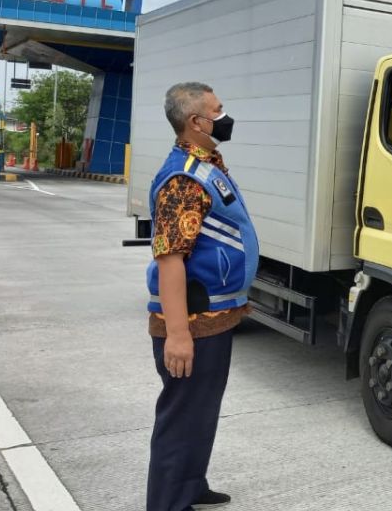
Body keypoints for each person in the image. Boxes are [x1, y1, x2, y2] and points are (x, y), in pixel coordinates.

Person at [146, 82, 259, 511]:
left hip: (214, 317)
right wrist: (177, 335)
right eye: (218, 110)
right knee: (181, 418)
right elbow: (170, 259)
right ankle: (167, 504)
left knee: (201, 412)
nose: (224, 117)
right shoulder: (183, 179)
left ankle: (191, 486)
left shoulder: (206, 164)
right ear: (196, 122)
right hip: (191, 321)